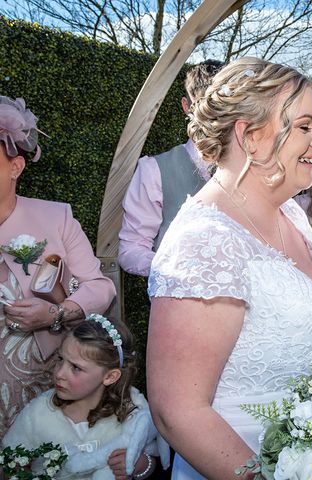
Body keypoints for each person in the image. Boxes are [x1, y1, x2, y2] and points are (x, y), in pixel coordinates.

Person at [146, 57, 312, 479]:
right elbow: (178, 411)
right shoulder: (204, 243)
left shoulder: (290, 214)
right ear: (250, 136)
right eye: (304, 126)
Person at [0, 96, 116, 439]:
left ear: (15, 167)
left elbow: (99, 287)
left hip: (38, 377)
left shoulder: (56, 217)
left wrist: (56, 314)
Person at [3, 315, 168, 479]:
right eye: (60, 359)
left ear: (110, 377)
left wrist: (139, 464)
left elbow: (154, 458)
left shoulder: (132, 413)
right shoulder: (38, 413)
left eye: (75, 368)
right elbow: (9, 459)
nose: (59, 373)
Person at [118, 59, 225, 276]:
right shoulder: (154, 170)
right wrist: (174, 268)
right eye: (206, 104)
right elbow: (131, 249)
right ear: (187, 106)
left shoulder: (255, 165)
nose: (216, 116)